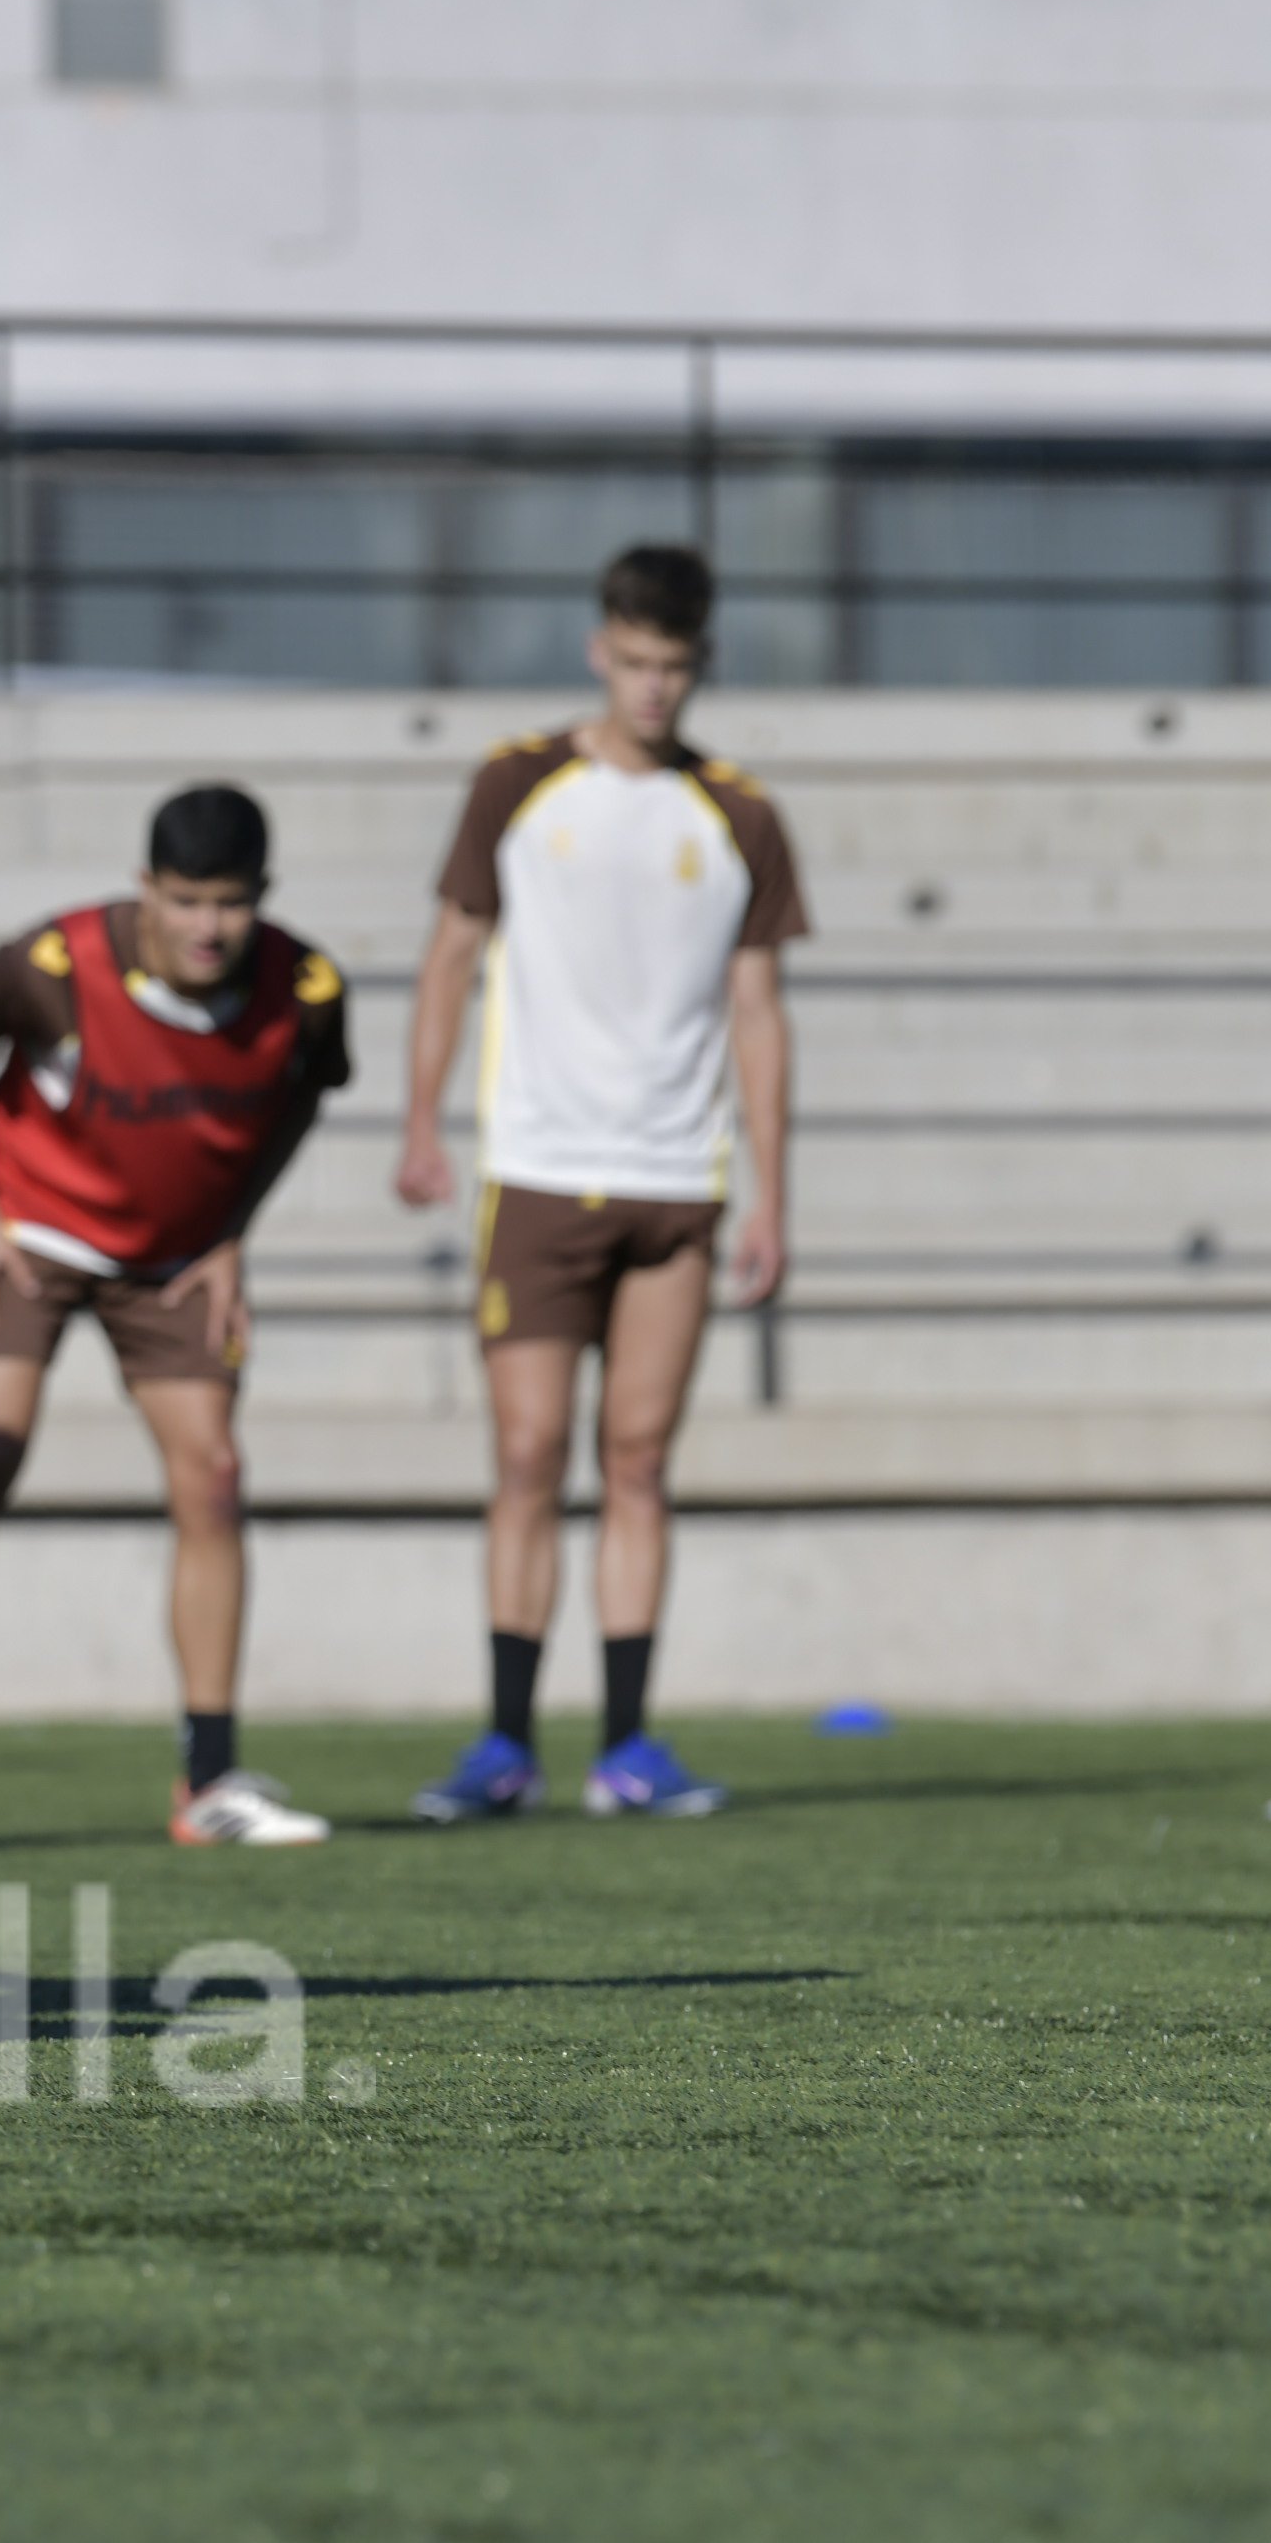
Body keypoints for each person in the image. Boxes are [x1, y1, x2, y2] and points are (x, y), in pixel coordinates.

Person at [0, 784, 349, 1851]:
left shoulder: (303, 987)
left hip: (174, 1258)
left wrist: (233, 1232)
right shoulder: (54, 969)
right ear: (146, 891)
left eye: (231, 901)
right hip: (31, 1232)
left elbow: (306, 1090)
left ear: (261, 896)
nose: (210, 926)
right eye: (187, 900)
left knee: (212, 1474)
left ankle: (209, 1779)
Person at [397, 543, 801, 1822]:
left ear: (701, 665)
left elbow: (760, 1011)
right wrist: (419, 1118)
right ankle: (505, 1741)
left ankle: (627, 1744)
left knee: (638, 1459)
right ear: (599, 650)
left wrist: (774, 1195)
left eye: (674, 667)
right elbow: (452, 954)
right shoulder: (518, 783)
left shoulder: (739, 812)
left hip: (678, 1179)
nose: (653, 688)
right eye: (635, 662)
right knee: (527, 1455)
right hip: (538, 1171)